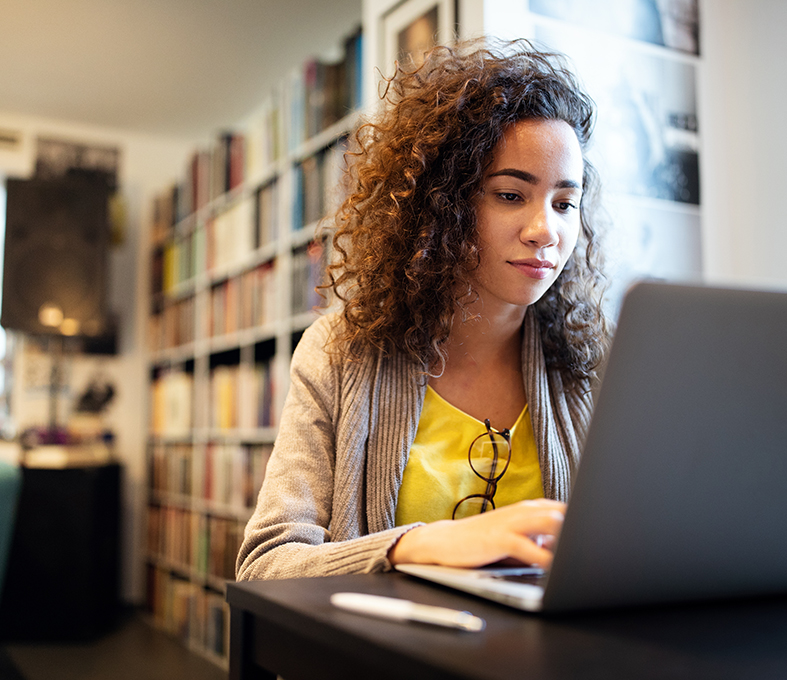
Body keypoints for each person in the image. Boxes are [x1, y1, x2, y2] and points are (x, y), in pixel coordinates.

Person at [236, 38, 609, 581]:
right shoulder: (339, 351)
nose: (545, 231)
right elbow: (265, 564)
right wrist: (420, 546)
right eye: (510, 195)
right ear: (443, 202)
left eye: (564, 203)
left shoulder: (595, 364)